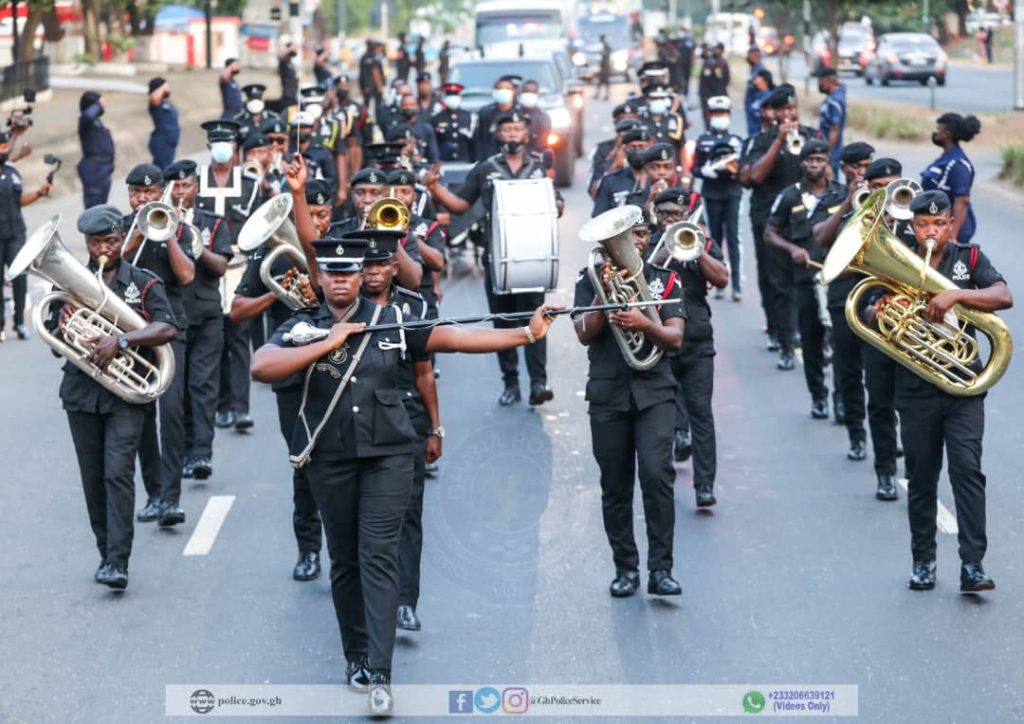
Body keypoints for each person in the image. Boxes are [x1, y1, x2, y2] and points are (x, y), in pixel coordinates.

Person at [250, 236, 560, 716]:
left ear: (359, 278)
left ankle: (379, 672)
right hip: (329, 459)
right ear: (320, 279)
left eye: (348, 273)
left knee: (378, 556)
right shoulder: (301, 326)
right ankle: (354, 655)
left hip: (390, 455)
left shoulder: (393, 319)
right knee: (346, 561)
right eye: (331, 273)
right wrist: (329, 342)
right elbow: (261, 366)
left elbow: (456, 337)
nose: (340, 280)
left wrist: (527, 333)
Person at [862, 191, 1011, 593]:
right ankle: (924, 562)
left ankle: (973, 566)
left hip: (963, 385)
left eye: (940, 224)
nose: (933, 231)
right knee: (922, 477)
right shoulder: (896, 260)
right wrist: (879, 311)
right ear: (913, 226)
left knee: (967, 472)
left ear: (950, 224)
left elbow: (1003, 296)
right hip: (915, 387)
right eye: (925, 225)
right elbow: (867, 308)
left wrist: (957, 294)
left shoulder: (970, 258)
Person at [48, 204, 178, 590]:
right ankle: (106, 553)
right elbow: (57, 348)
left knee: (117, 473)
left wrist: (121, 339)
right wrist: (64, 326)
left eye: (110, 240)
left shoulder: (145, 282)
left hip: (127, 393)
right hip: (81, 394)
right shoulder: (67, 286)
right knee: (93, 480)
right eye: (94, 242)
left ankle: (118, 562)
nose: (102, 248)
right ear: (86, 243)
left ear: (123, 238)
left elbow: (167, 327)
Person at [573, 205, 685, 597]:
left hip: (654, 390)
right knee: (615, 485)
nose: (633, 241)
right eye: (627, 235)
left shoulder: (665, 281)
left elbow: (675, 338)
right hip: (607, 394)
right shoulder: (589, 279)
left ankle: (661, 569)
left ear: (649, 239)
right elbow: (584, 333)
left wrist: (645, 324)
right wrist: (605, 298)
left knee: (657, 476)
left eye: (639, 234)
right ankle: (626, 568)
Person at [423, 111, 563, 406]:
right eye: (507, 129)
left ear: (526, 134)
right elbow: (461, 205)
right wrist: (435, 189)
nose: (512, 134)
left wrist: (557, 205)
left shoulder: (538, 167)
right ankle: (510, 384)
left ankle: (539, 383)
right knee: (503, 321)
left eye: (517, 129)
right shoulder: (486, 168)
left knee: (536, 316)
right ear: (498, 135)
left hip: (532, 256)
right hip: (497, 257)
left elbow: (556, 203)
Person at [232, 180, 327, 581]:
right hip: (291, 372)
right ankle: (308, 549)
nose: (317, 222)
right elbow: (237, 310)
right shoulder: (272, 255)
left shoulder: (342, 250)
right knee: (303, 462)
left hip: (336, 367)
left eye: (322, 215)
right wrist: (277, 291)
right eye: (310, 215)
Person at [353, 229, 441, 632]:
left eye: (380, 265)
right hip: (353, 423)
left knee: (408, 515)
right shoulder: (342, 307)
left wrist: (435, 429)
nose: (372, 273)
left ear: (394, 267)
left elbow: (424, 372)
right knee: (359, 516)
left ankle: (406, 600)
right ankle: (366, 596)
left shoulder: (414, 306)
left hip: (405, 422)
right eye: (365, 265)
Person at [814, 154, 911, 502]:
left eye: (892, 187)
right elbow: (823, 241)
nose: (886, 194)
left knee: (911, 399)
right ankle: (883, 469)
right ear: (869, 189)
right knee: (875, 392)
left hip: (905, 316)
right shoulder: (854, 219)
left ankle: (914, 468)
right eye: (878, 188)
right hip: (858, 309)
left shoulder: (917, 221)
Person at [121, 165, 194, 527]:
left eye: (148, 193)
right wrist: (137, 230)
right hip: (132, 334)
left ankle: (171, 498)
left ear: (160, 192)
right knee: (141, 416)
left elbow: (186, 275)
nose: (141, 199)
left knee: (171, 414)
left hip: (169, 331)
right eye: (135, 193)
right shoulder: (121, 226)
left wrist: (164, 232)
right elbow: (109, 264)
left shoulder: (177, 225)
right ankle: (153, 494)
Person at [651, 190, 729, 505]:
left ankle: (705, 486)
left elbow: (722, 278)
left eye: (677, 215)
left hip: (697, 340)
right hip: (659, 339)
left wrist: (695, 250)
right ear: (657, 215)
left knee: (701, 413)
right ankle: (662, 478)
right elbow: (635, 274)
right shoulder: (647, 243)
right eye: (665, 214)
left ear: (688, 216)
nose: (671, 220)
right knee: (660, 414)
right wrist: (660, 252)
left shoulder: (701, 242)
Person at [166, 160, 234, 481]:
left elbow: (220, 267)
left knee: (202, 387)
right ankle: (180, 453)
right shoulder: (158, 223)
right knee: (175, 390)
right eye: (176, 187)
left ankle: (201, 454)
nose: (182, 192)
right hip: (173, 318)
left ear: (197, 187)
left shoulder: (214, 223)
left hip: (207, 315)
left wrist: (197, 246)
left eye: (187, 186)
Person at [764, 140, 843, 416]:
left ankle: (841, 398)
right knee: (811, 341)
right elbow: (770, 233)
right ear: (801, 163)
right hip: (804, 280)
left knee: (841, 342)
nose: (814, 165)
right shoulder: (789, 196)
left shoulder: (842, 196)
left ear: (827, 164)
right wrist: (792, 248)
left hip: (836, 280)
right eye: (809, 160)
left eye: (819, 160)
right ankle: (818, 397)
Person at [195, 120, 264, 432]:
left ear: (236, 149)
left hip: (240, 269)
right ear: (210, 147)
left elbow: (261, 228)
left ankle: (240, 408)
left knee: (239, 338)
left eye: (229, 144)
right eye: (217, 144)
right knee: (214, 339)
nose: (223, 150)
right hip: (206, 270)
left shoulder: (250, 186)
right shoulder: (194, 183)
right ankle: (220, 406)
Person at [807, 141, 874, 446]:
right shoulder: (833, 196)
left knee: (882, 372)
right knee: (848, 370)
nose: (863, 172)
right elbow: (820, 236)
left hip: (878, 291)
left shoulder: (888, 198)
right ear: (846, 168)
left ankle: (885, 434)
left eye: (866, 166)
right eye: (857, 167)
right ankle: (857, 437)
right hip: (843, 293)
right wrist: (849, 202)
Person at [739, 83, 814, 352]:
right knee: (773, 280)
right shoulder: (760, 140)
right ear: (774, 113)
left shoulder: (810, 136)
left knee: (805, 279)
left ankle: (802, 332)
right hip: (770, 221)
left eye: (792, 108)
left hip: (804, 221)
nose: (789, 114)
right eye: (784, 109)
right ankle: (779, 330)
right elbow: (753, 177)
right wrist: (779, 142)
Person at [0, 131, 51, 341]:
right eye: (1, 148)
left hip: (16, 234)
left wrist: (39, 193)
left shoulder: (13, 172)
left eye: (5, 147)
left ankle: (19, 322)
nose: (4, 151)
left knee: (20, 279)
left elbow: (19, 200)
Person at [693, 95, 743, 300]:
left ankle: (737, 284)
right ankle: (719, 282)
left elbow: (744, 168)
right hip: (712, 192)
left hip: (732, 192)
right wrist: (706, 172)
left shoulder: (737, 142)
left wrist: (733, 170)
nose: (719, 117)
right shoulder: (703, 140)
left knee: (733, 238)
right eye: (716, 114)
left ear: (729, 115)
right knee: (715, 238)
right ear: (709, 115)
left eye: (723, 113)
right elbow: (694, 168)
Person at [921, 113, 981, 243]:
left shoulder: (958, 164)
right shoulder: (945, 159)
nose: (935, 134)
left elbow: (962, 201)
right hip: (936, 226)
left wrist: (952, 235)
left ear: (947, 133)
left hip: (950, 231)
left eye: (938, 130)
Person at [591, 127, 652, 215]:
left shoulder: (656, 179)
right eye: (633, 147)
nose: (638, 151)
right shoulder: (610, 180)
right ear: (625, 149)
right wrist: (615, 166)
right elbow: (598, 216)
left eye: (642, 147)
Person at [77, 91, 115, 208]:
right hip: (94, 168)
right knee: (94, 208)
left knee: (101, 207)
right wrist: (98, 104)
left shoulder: (96, 121)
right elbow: (88, 115)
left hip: (103, 168)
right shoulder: (85, 120)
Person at [473, 75, 521, 161]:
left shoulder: (520, 113)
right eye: (500, 89)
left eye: (507, 89)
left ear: (513, 91)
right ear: (494, 92)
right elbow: (480, 139)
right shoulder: (485, 113)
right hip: (491, 158)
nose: (503, 91)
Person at [431, 83, 475, 162]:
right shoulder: (437, 118)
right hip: (444, 160)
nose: (452, 97)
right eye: (449, 95)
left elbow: (473, 142)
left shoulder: (469, 117)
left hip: (464, 160)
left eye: (455, 95)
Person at [817, 68, 847, 178]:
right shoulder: (832, 98)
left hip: (831, 151)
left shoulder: (835, 101)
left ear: (828, 80)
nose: (819, 85)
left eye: (821, 81)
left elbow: (835, 128)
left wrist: (827, 152)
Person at [147, 77, 179, 170]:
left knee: (167, 169)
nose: (168, 89)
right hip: (162, 143)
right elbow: (153, 97)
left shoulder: (166, 103)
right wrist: (161, 88)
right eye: (166, 87)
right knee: (162, 172)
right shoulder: (155, 102)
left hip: (169, 143)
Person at [698, 43, 730, 129]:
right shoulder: (708, 62)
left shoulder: (723, 63)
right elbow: (704, 80)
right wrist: (704, 95)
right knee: (708, 117)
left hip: (720, 94)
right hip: (707, 95)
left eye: (718, 49)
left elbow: (726, 80)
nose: (716, 51)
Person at [519, 79, 552, 154]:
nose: (529, 95)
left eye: (533, 92)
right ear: (520, 93)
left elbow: (543, 142)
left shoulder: (543, 117)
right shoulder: (512, 114)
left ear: (537, 94)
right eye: (526, 91)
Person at [744, 46, 767, 137]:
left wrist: (755, 107)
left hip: (755, 108)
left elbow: (763, 90)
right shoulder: (753, 69)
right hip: (751, 108)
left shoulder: (760, 70)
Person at [359, 40, 386, 110]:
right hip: (373, 85)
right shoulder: (374, 57)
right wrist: (379, 85)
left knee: (366, 103)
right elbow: (375, 72)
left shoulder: (364, 56)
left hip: (365, 84)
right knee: (378, 104)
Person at [277, 42, 299, 111]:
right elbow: (280, 56)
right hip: (287, 95)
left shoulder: (291, 63)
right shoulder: (284, 62)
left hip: (294, 94)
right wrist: (289, 49)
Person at [596, 35, 612, 101]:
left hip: (605, 68)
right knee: (601, 82)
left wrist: (604, 69)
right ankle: (599, 95)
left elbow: (606, 58)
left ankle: (605, 95)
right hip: (604, 67)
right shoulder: (604, 46)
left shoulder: (606, 47)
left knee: (604, 82)